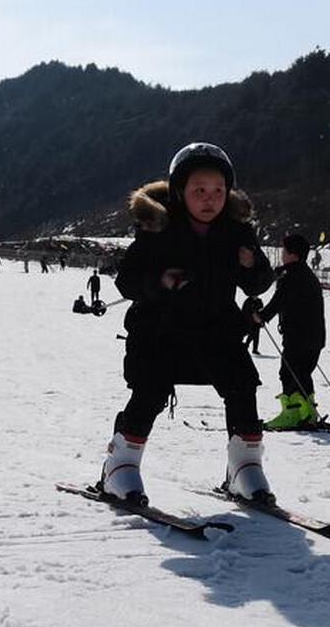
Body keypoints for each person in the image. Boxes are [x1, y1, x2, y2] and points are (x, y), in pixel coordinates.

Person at [99, 142, 274, 506]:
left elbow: (258, 284)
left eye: (218, 191)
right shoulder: (158, 228)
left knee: (242, 386)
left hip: (217, 331)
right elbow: (126, 281)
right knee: (150, 390)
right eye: (199, 190)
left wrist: (251, 265)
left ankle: (244, 467)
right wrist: (160, 282)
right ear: (180, 192)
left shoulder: (236, 231)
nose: (209, 199)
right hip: (160, 330)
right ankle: (120, 465)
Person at [256, 233, 326, 430]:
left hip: (298, 337)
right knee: (303, 374)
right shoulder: (308, 274)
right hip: (315, 337)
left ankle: (292, 414)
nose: (282, 254)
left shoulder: (291, 276)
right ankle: (308, 413)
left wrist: (260, 317)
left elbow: (279, 301)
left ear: (293, 254)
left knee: (288, 373)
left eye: (284, 251)